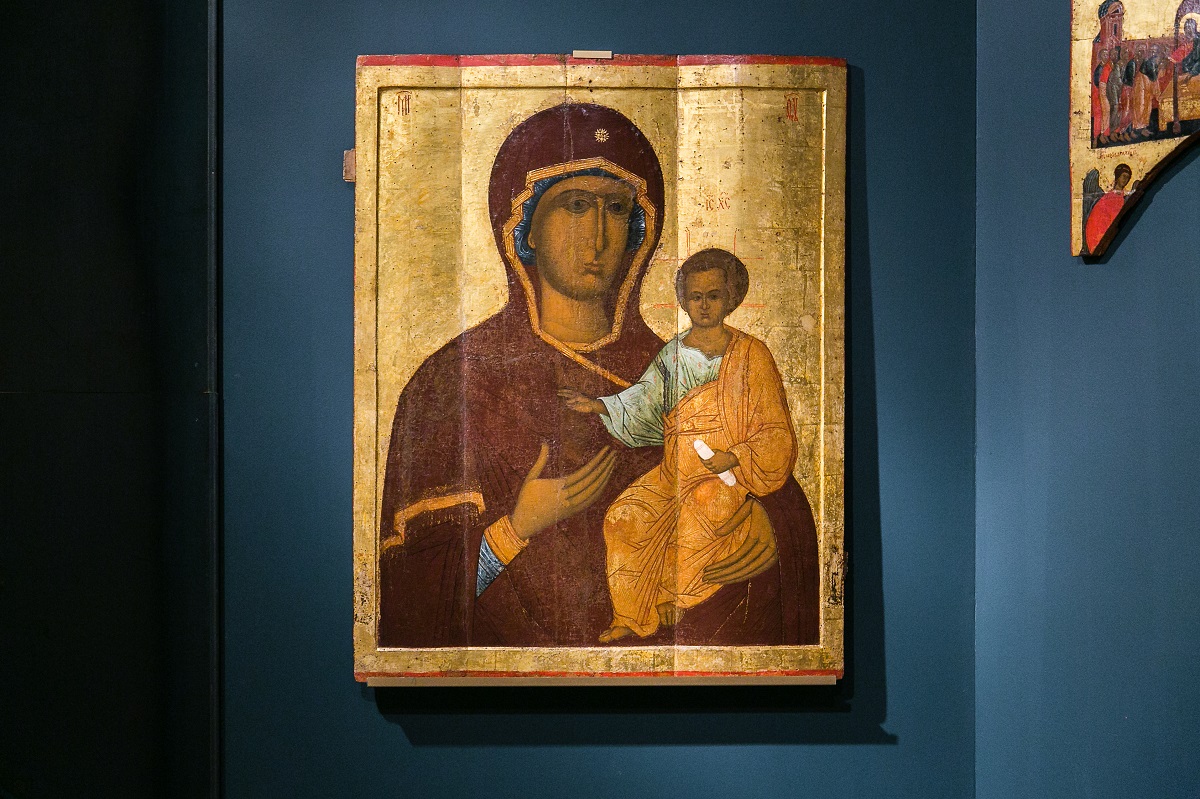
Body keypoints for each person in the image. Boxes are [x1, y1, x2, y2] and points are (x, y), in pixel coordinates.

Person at [377, 103, 820, 648]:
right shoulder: (454, 380)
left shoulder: (683, 364)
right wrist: (516, 529)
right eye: (575, 205)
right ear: (525, 226)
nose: (598, 236)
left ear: (639, 230)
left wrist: (773, 530)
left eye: (615, 208)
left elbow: (774, 475)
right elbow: (412, 601)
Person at [559, 250, 798, 643]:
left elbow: (774, 428)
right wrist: (599, 405)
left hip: (727, 474)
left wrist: (735, 456)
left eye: (714, 296)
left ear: (731, 298)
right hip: (674, 470)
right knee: (623, 517)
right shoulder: (672, 354)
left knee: (701, 508)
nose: (703, 305)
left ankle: (679, 598)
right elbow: (645, 401)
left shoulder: (751, 355)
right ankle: (629, 616)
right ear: (684, 301)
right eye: (695, 296)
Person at [1084, 163, 1132, 253]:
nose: (1125, 179)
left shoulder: (1123, 198)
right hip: (1098, 239)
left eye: (1128, 177)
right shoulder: (1108, 198)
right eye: (1123, 176)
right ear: (1117, 177)